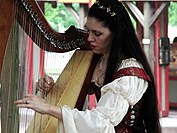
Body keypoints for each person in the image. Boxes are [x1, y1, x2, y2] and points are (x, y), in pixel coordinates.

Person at [15, 0, 162, 132]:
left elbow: (100, 122)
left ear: (117, 35)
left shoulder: (130, 75)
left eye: (97, 33)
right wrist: (52, 88)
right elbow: (82, 95)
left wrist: (48, 108)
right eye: (88, 30)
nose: (89, 38)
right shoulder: (100, 60)